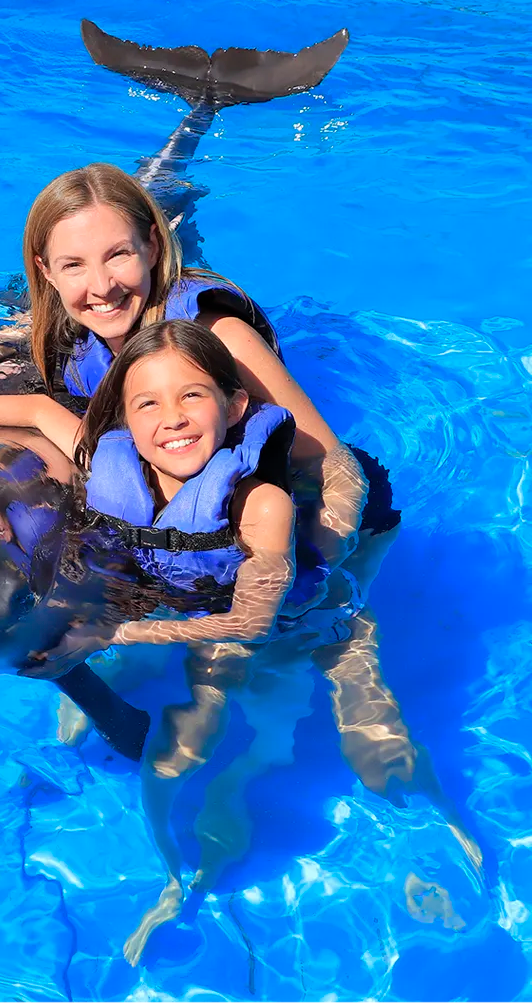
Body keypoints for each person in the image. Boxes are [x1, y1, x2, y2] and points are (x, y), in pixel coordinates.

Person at [26, 321, 479, 959]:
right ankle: (181, 879)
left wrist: (115, 630)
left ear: (236, 407)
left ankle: (441, 820)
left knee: (348, 689)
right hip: (218, 593)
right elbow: (34, 411)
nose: (172, 417)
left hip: (319, 572)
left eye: (192, 396)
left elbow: (253, 622)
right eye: (149, 403)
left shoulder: (258, 500)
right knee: (188, 731)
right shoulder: (121, 468)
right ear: (124, 425)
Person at [0, 163, 393, 577]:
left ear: (150, 245)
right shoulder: (75, 344)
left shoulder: (218, 336)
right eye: (74, 265)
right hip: (181, 488)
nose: (101, 286)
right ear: (46, 272)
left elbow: (332, 464)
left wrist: (323, 567)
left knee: (321, 645)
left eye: (119, 254)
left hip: (324, 510)